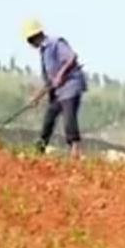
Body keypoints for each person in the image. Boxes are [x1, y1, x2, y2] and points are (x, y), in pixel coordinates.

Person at [22, 19, 87, 157]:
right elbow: (49, 81)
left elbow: (72, 57)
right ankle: (40, 148)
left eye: (30, 39)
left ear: (36, 36)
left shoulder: (55, 43)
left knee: (69, 117)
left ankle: (75, 150)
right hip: (59, 91)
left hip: (71, 85)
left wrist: (61, 74)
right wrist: (37, 97)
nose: (30, 43)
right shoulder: (44, 52)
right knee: (49, 118)